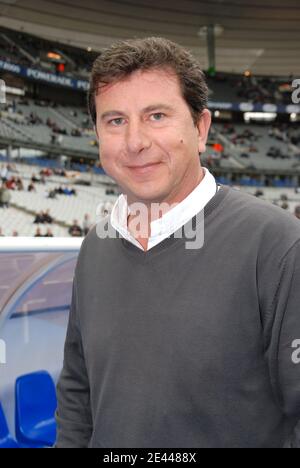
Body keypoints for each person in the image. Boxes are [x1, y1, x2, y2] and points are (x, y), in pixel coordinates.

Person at [56, 37, 300, 448]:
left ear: (201, 128)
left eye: (156, 116)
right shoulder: (96, 246)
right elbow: (78, 393)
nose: (135, 142)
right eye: (115, 120)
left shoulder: (278, 245)